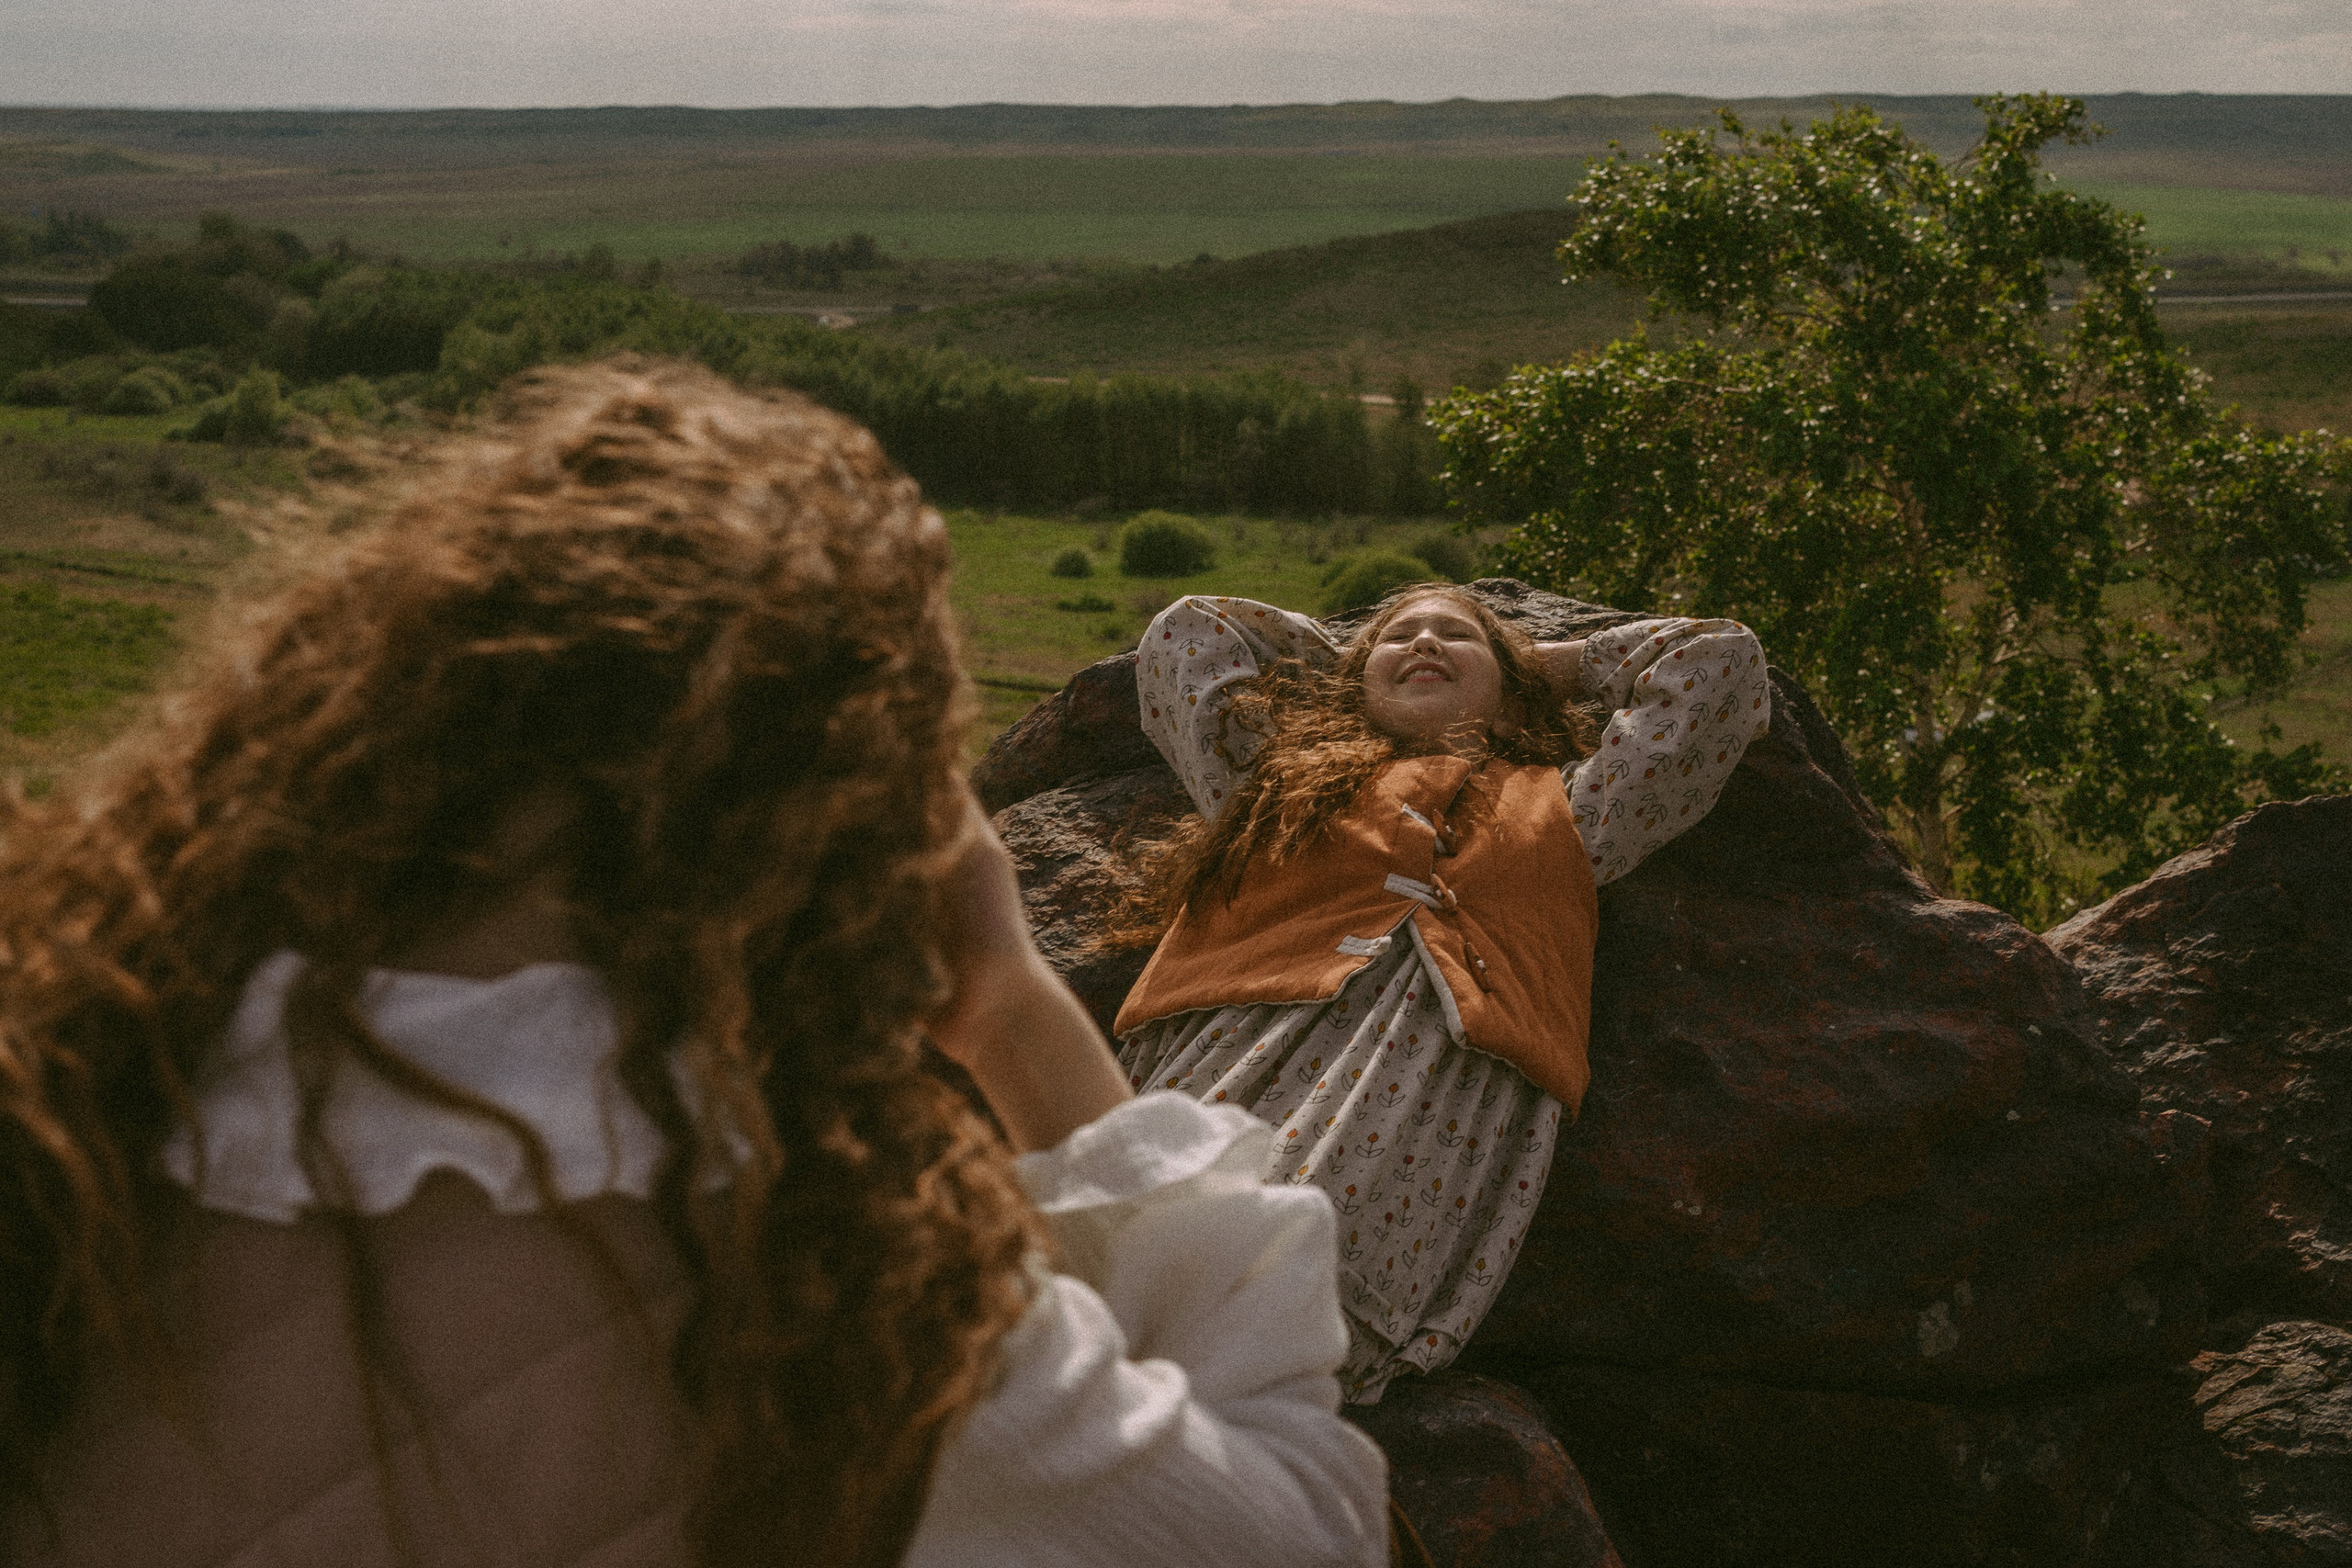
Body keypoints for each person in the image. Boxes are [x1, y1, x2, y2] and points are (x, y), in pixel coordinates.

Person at [0, 361, 1387, 1568]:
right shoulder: (834, 1292)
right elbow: (1294, 1530)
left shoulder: (69, 1063)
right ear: (857, 830)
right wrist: (1016, 1004)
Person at [1116, 588, 1770, 1402]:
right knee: (1111, 1274)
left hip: (1427, 1079)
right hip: (1239, 1044)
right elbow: (1185, 634)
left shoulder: (1574, 809)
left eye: (1457, 636)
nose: (1425, 641)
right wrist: (1357, 670)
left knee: (1273, 1310)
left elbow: (1723, 665)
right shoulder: (1268, 784)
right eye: (1402, 635)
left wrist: (1532, 665)